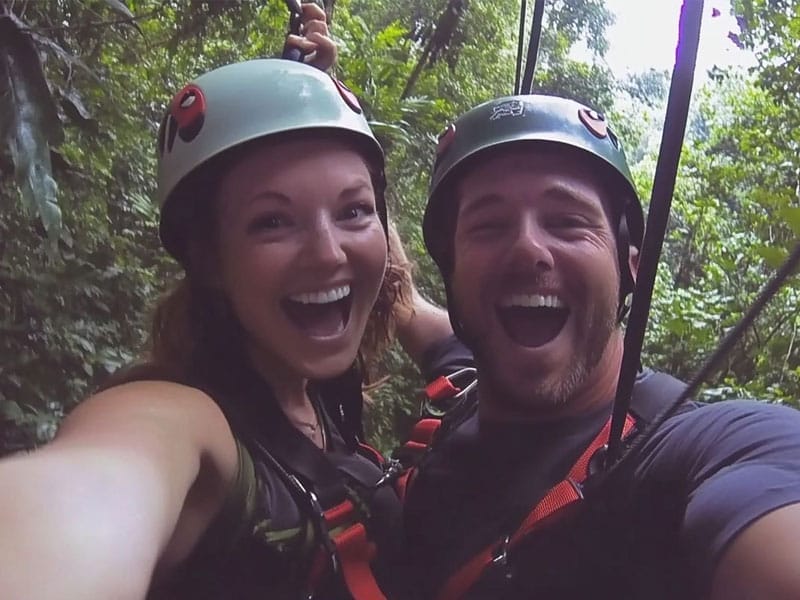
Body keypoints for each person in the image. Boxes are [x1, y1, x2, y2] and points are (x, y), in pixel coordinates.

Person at [0, 7, 455, 599]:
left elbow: (401, 296)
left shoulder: (320, 399)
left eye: (352, 211)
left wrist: (313, 101)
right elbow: (92, 492)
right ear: (210, 259)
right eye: (272, 221)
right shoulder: (185, 421)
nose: (328, 253)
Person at [401, 93, 800, 599]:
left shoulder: (696, 450)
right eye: (489, 225)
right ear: (452, 271)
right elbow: (404, 303)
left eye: (567, 221)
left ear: (630, 265)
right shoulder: (463, 387)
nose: (528, 248)